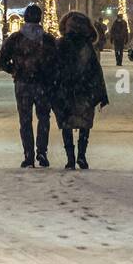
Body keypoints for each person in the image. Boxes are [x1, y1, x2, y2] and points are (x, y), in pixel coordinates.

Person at [0, 3, 56, 168]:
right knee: (43, 118)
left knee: (25, 120)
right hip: (43, 84)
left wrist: (15, 70)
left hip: (23, 84)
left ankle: (29, 155)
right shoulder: (47, 39)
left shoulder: (15, 38)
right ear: (40, 18)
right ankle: (42, 152)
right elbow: (55, 63)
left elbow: (1, 61)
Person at [51, 12, 108, 169]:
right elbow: (96, 71)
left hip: (65, 90)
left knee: (66, 124)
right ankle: (81, 156)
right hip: (85, 91)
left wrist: (52, 89)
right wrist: (100, 93)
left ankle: (70, 159)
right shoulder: (87, 47)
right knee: (84, 124)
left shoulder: (60, 44)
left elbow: (53, 68)